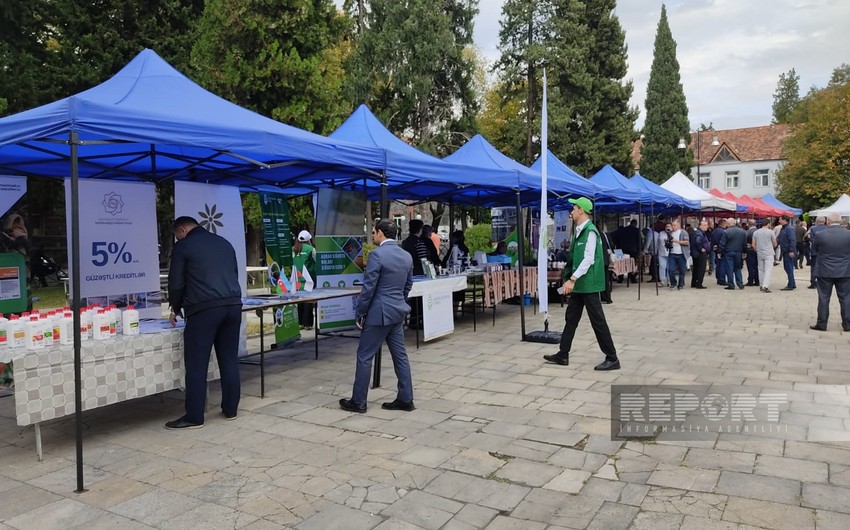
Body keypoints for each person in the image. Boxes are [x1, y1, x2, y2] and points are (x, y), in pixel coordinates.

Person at [166, 216, 242, 429]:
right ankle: (231, 409)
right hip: (233, 306)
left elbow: (176, 282)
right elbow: (234, 273)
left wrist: (175, 306)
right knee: (228, 359)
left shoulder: (184, 246)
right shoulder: (224, 242)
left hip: (205, 309)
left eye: (176, 235)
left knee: (196, 364)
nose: (177, 239)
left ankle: (194, 416)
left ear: (182, 230)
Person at [340, 219, 415, 413]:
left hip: (379, 313)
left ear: (381, 233)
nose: (372, 235)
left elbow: (369, 288)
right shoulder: (406, 256)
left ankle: (359, 401)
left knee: (365, 355)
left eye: (374, 232)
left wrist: (360, 312)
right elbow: (408, 284)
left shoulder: (377, 255)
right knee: (400, 356)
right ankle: (406, 398)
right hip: (397, 311)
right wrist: (399, 301)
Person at [543, 197, 619, 371]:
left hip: (588, 283)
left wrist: (572, 279)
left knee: (597, 321)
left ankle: (612, 357)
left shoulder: (590, 231)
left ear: (581, 211)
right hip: (580, 284)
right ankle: (563, 354)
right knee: (571, 318)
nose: (571, 211)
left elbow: (588, 259)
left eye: (574, 208)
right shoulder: (579, 230)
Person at [809, 213, 850, 331]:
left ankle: (822, 323)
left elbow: (814, 251)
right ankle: (847, 324)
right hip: (845, 271)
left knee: (824, 298)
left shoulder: (820, 234)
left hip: (825, 271)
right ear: (841, 221)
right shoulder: (848, 234)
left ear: (828, 221)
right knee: (846, 298)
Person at [2, 213, 33, 311]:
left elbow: (28, 251)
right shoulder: (4, 239)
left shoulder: (24, 242)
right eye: (15, 227)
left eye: (21, 227)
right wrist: (19, 238)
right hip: (7, 289)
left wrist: (22, 238)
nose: (19, 230)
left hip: (24, 287)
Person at [293, 230, 317, 329]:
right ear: (309, 239)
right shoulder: (311, 249)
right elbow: (317, 261)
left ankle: (300, 323)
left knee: (300, 301)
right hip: (308, 279)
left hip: (297, 280)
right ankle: (307, 323)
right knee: (308, 302)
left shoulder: (293, 249)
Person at [719, 218, 746, 290]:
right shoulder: (742, 232)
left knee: (729, 268)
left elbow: (722, 244)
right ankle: (740, 283)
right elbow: (744, 243)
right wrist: (744, 252)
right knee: (738, 268)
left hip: (728, 252)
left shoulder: (726, 232)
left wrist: (719, 251)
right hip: (738, 252)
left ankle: (731, 284)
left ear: (728, 224)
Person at [752, 219, 778, 292]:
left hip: (759, 252)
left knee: (761, 269)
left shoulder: (756, 232)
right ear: (768, 224)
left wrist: (757, 250)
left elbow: (753, 245)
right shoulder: (771, 232)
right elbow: (775, 243)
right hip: (769, 253)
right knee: (768, 269)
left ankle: (761, 284)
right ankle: (765, 286)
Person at [667, 219, 689, 290]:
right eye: (672, 225)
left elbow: (687, 242)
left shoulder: (683, 232)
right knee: (671, 270)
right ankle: (673, 283)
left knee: (682, 270)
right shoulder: (670, 233)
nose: (673, 227)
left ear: (679, 225)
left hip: (681, 254)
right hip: (672, 253)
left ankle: (681, 284)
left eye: (674, 225)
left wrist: (676, 241)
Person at [777, 215, 797, 290]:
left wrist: (792, 250)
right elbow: (779, 238)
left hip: (788, 251)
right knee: (787, 267)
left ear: (784, 220)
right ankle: (792, 283)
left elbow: (792, 240)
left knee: (789, 267)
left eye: (780, 219)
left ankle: (790, 285)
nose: (779, 221)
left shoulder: (789, 229)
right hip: (784, 251)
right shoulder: (783, 228)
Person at [807, 216, 827, 289]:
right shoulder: (827, 229)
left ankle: (813, 282)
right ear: (825, 221)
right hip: (825, 252)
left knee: (814, 267)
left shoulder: (813, 229)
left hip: (815, 251)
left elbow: (812, 239)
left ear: (816, 221)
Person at [690, 219, 710, 289]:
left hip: (695, 253)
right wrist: (701, 249)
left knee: (696, 268)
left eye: (707, 225)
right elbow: (698, 241)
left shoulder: (696, 232)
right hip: (700, 254)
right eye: (705, 225)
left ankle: (694, 282)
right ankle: (699, 283)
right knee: (701, 269)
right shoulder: (699, 233)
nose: (706, 227)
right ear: (700, 226)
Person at [709, 218, 728, 285]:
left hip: (715, 249)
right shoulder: (723, 231)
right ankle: (722, 279)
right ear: (724, 224)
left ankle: (718, 278)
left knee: (718, 264)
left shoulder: (714, 231)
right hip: (722, 250)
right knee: (722, 265)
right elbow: (723, 241)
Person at [744, 220, 759, 286]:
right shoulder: (759, 231)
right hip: (758, 250)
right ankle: (757, 280)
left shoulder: (747, 232)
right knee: (757, 266)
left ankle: (750, 280)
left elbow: (744, 242)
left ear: (748, 224)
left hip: (749, 250)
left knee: (750, 266)